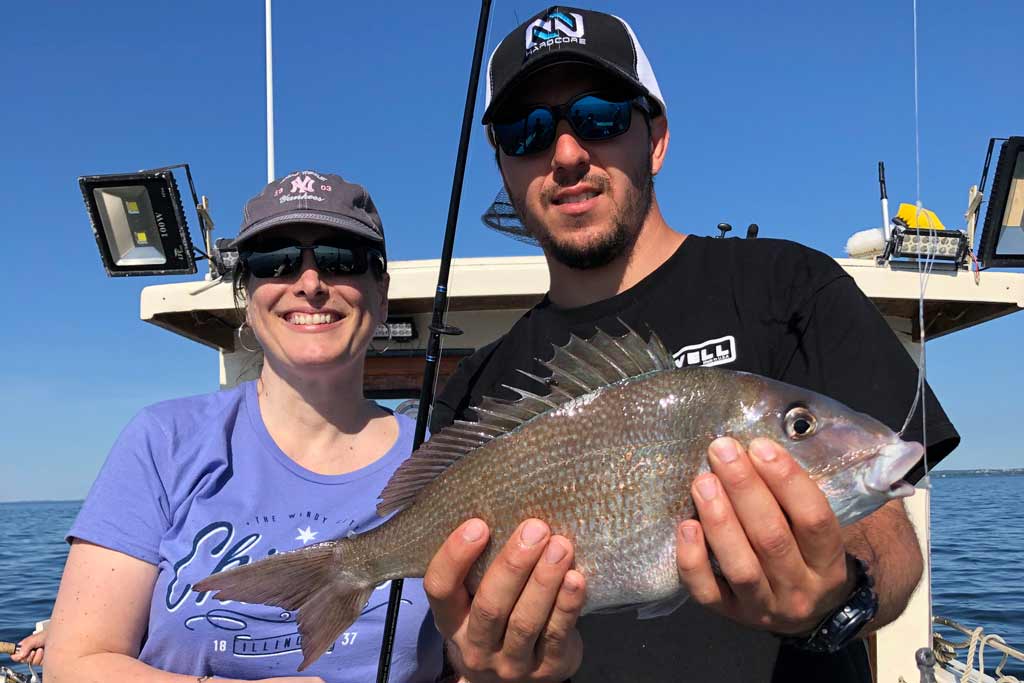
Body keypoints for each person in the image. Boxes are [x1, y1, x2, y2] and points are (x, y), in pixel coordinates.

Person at [424, 6, 960, 683]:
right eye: (526, 131)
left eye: (600, 116)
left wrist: (839, 596)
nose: (565, 153)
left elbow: (889, 537)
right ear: (504, 166)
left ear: (656, 140)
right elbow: (453, 638)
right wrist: (482, 667)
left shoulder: (788, 286)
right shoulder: (476, 385)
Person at [45, 172, 443, 683]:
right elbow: (73, 662)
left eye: (341, 258)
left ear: (381, 294)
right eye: (272, 260)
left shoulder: (443, 464)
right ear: (247, 297)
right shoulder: (164, 441)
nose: (309, 282)